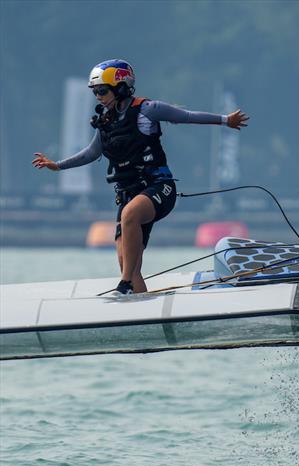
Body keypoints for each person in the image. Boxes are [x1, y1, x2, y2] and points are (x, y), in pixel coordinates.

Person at [32, 59, 248, 295]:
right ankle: (140, 304)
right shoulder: (106, 121)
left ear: (121, 86)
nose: (98, 96)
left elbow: (185, 116)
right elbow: (91, 153)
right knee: (128, 261)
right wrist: (57, 166)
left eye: (102, 91)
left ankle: (123, 285)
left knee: (130, 215)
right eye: (95, 92)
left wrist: (226, 120)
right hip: (127, 194)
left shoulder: (147, 109)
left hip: (159, 187)